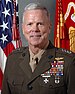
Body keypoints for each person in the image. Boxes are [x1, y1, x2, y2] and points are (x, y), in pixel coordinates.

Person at [1, 2, 75, 94]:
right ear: (23, 29)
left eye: (40, 24)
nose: (35, 29)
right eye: (30, 24)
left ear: (49, 27)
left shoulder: (69, 62)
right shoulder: (13, 59)